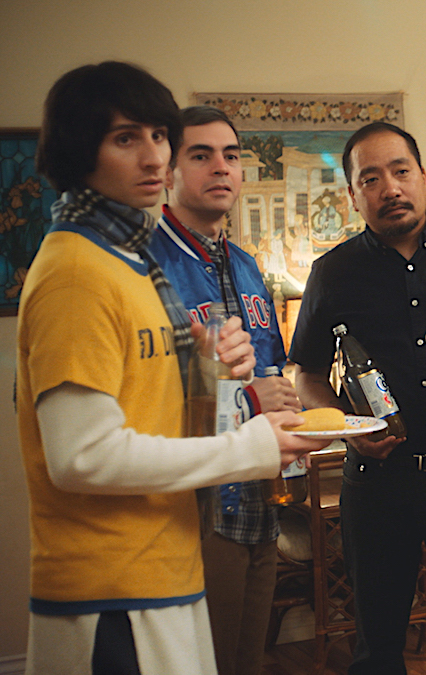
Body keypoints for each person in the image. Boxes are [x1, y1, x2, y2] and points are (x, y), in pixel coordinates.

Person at [19, 61, 325, 675]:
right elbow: (81, 457)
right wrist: (251, 445)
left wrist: (212, 379)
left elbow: (155, 410)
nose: (152, 156)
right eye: (126, 138)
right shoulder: (77, 270)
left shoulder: (129, 265)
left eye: (158, 135)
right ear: (81, 151)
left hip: (164, 563)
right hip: (113, 587)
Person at [290, 122, 426, 675]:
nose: (389, 187)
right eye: (370, 178)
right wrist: (349, 430)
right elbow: (308, 373)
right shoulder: (332, 274)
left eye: (400, 171)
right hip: (379, 485)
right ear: (353, 195)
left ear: (425, 179)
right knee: (377, 646)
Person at [147, 105, 303, 675]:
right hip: (194, 509)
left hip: (260, 500)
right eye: (201, 155)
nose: (221, 167)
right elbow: (146, 395)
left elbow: (271, 372)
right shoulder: (146, 263)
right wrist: (252, 402)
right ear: (168, 169)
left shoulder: (245, 264)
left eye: (231, 156)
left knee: (246, 661)